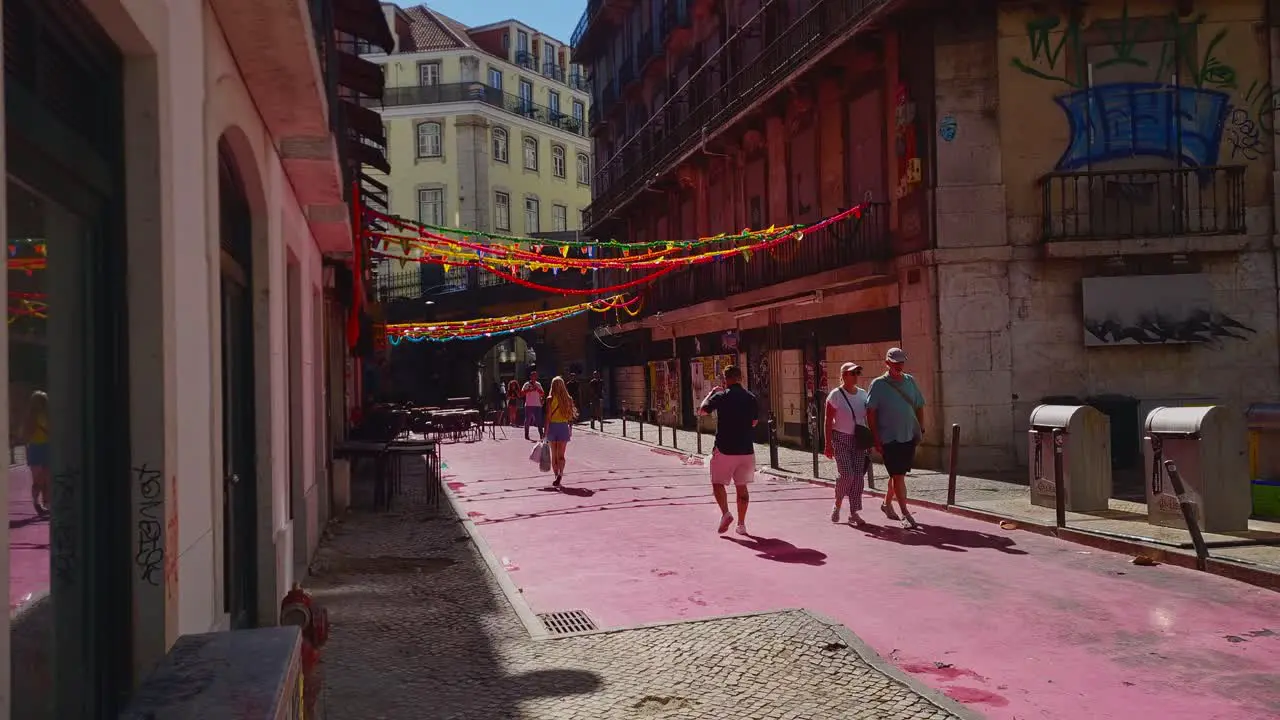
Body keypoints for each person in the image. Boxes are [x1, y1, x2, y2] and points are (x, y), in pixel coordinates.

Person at [866, 347, 926, 529]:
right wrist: (875, 437)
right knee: (898, 475)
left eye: (901, 362)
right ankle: (905, 513)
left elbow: (920, 405)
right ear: (887, 363)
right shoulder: (878, 384)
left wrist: (921, 428)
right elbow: (870, 412)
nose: (899, 366)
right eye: (895, 363)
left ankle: (886, 504)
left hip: (908, 435)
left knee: (897, 474)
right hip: (888, 437)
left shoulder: (910, 381)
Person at [698, 366, 759, 535]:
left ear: (725, 379)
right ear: (740, 378)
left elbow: (702, 410)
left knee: (717, 483)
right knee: (742, 487)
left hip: (724, 448)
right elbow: (754, 422)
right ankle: (741, 524)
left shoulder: (721, 396)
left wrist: (711, 393)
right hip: (746, 449)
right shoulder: (751, 397)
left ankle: (725, 513)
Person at [824, 363, 871, 526]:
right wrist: (828, 444)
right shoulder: (835, 395)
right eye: (852, 373)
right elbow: (828, 421)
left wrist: (870, 438)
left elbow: (867, 418)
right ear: (843, 375)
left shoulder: (864, 395)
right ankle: (837, 504)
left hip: (859, 440)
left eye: (857, 373)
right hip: (841, 439)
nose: (855, 376)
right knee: (847, 475)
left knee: (858, 477)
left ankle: (854, 512)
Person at [544, 376, 578, 487]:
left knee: (554, 455)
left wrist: (545, 432)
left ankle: (556, 475)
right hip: (564, 427)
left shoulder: (550, 399)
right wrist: (570, 429)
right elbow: (570, 417)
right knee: (561, 455)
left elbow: (548, 417)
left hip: (553, 427)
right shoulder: (568, 399)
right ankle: (561, 474)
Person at [24, 390, 50, 518]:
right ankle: (37, 503)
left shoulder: (49, 414)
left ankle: (47, 503)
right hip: (36, 447)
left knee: (48, 478)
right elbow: (26, 433)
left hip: (47, 446)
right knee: (38, 479)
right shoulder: (31, 416)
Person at [521, 370, 545, 440]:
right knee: (527, 420)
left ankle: (541, 434)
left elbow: (542, 393)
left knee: (539, 420)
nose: (534, 377)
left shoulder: (538, 384)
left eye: (536, 376)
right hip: (529, 405)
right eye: (533, 375)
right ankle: (526, 434)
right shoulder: (526, 384)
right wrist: (529, 390)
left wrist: (537, 389)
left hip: (537, 405)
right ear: (530, 376)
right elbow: (522, 393)